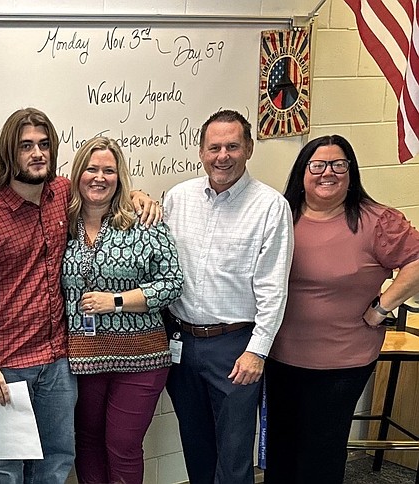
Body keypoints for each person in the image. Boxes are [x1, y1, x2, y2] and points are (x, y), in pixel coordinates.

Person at [0, 108, 161, 484]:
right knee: (8, 466)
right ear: (10, 154)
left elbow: (105, 184)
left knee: (57, 459)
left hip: (59, 361)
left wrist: (137, 193)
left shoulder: (62, 194)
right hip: (7, 365)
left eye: (44, 145)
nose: (37, 153)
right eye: (26, 146)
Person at [265, 135, 419, 483]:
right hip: (278, 356)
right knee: (281, 449)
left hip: (341, 363)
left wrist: (383, 307)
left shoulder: (376, 221)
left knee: (320, 452)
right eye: (317, 165)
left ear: (351, 173)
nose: (327, 173)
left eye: (339, 164)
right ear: (302, 173)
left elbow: (416, 261)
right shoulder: (279, 216)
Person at [162, 109, 294, 484]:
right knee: (196, 446)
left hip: (236, 347)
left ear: (249, 148)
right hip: (181, 343)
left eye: (233, 146)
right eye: (214, 147)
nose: (223, 156)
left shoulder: (270, 207)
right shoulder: (177, 198)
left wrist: (257, 351)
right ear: (201, 151)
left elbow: (273, 289)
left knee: (234, 456)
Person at [61, 136, 182, 484]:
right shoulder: (61, 223)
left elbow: (173, 282)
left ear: (120, 176)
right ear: (78, 173)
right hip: (82, 358)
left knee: (123, 444)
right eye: (91, 168)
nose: (99, 177)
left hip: (141, 357)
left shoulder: (144, 221)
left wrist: (115, 301)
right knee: (86, 442)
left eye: (109, 170)